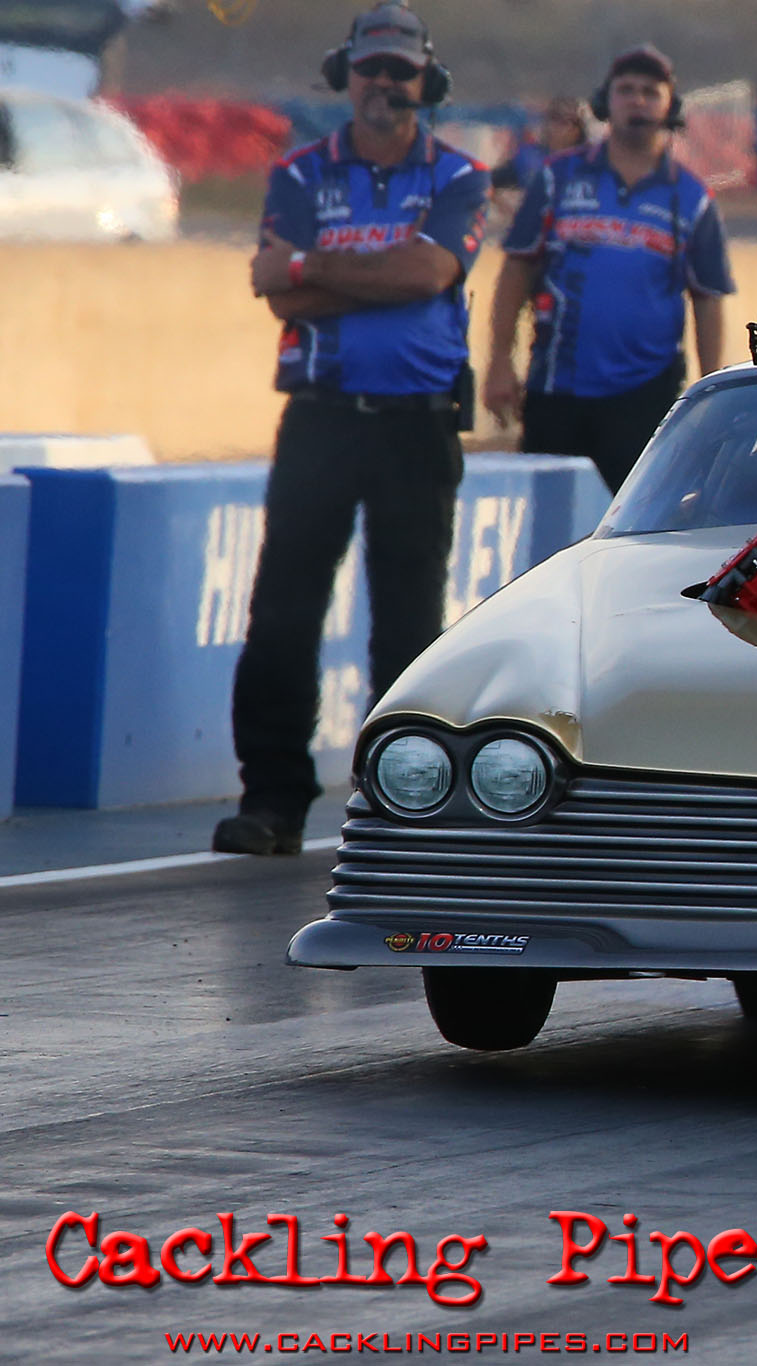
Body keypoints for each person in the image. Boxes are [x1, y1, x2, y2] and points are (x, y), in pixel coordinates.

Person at [214, 2, 488, 856]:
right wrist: (368, 275)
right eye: (371, 67)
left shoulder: (460, 176)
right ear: (346, 74)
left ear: (427, 81)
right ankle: (272, 803)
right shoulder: (300, 175)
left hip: (418, 424)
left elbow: (428, 272)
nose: (385, 83)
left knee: (407, 624)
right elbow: (282, 298)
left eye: (402, 70)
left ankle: (399, 807)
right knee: (282, 614)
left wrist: (311, 265)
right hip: (321, 419)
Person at [484, 45, 736, 493]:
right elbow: (516, 270)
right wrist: (500, 360)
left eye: (650, 92)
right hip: (556, 386)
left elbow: (708, 299)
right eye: (626, 90)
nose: (637, 101)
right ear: (606, 101)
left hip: (646, 392)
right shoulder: (557, 177)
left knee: (632, 523)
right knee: (554, 521)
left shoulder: (691, 197)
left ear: (670, 105)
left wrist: (707, 392)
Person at [490, 95, 589, 194]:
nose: (552, 126)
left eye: (563, 122)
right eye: (551, 118)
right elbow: (490, 182)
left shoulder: (588, 162)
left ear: (577, 129)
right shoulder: (528, 157)